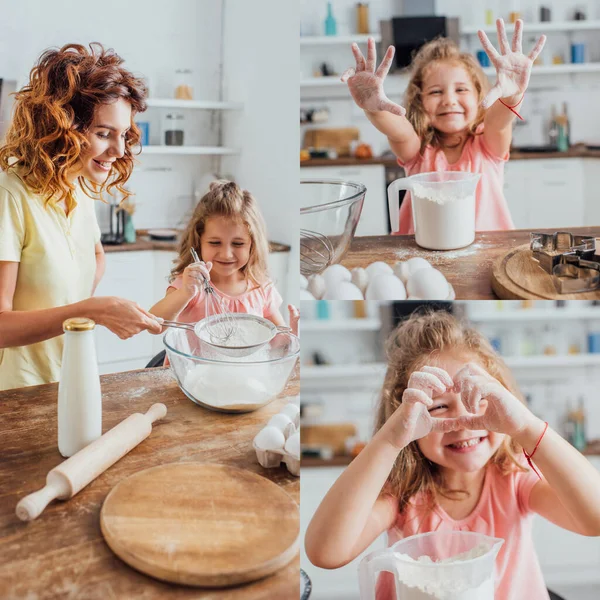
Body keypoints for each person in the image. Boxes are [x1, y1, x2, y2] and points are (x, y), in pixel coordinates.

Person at [305, 310, 600, 599]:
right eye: (438, 407)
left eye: (480, 399)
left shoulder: (516, 478)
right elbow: (326, 552)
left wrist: (526, 427)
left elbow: (595, 518)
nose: (463, 422)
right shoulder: (402, 493)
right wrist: (388, 441)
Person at [0, 43, 163, 391]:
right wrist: (91, 311)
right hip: (16, 392)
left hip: (69, 378)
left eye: (123, 136)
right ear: (61, 127)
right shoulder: (10, 196)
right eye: (104, 134)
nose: (119, 151)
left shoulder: (78, 188)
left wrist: (87, 308)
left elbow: (95, 258)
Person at [341, 19, 546, 233]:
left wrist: (513, 95)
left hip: (487, 256)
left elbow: (498, 123)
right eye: (436, 92)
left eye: (461, 90)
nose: (449, 100)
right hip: (423, 258)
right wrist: (373, 107)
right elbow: (399, 131)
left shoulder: (487, 145)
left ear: (479, 96)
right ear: (420, 102)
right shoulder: (418, 150)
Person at [150, 180, 299, 335]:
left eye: (238, 243)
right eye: (215, 242)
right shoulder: (190, 284)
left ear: (252, 245)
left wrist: (293, 333)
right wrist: (186, 292)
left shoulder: (261, 288)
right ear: (198, 241)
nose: (226, 254)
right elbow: (154, 324)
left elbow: (279, 342)